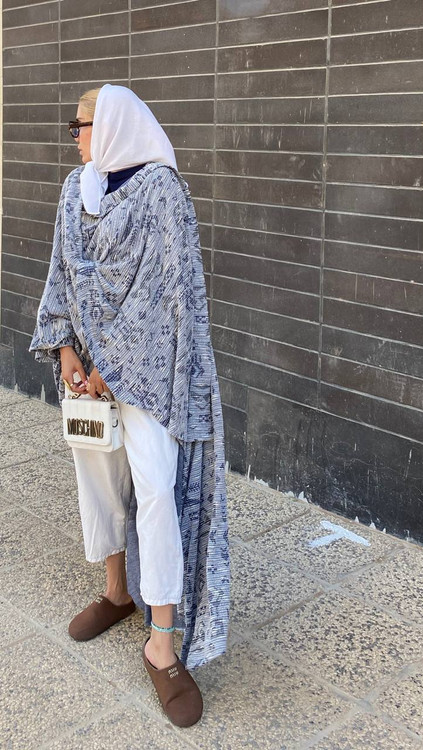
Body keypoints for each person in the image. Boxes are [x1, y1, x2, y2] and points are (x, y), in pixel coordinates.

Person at [29, 84, 230, 728]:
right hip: (86, 377)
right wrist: (67, 350)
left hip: (148, 377)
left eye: (81, 126)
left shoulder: (161, 192)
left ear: (112, 125)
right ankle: (117, 592)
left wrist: (113, 370)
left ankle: (162, 642)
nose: (76, 138)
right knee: (99, 483)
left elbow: (167, 296)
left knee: (157, 489)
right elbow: (61, 273)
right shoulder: (76, 190)